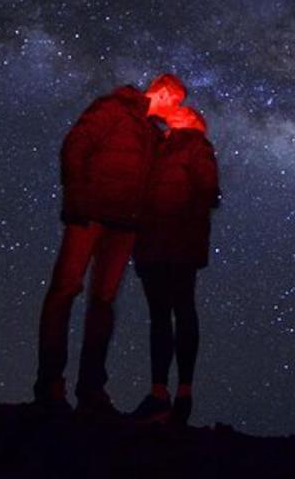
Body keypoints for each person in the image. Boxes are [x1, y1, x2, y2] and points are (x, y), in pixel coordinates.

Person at [33, 73, 187, 414]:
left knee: (102, 303)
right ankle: (50, 387)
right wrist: (75, 197)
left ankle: (91, 392)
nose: (175, 109)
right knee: (64, 291)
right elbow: (77, 143)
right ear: (164, 93)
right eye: (175, 102)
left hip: (124, 226)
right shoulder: (114, 109)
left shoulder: (152, 135)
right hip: (89, 213)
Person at [131, 104, 220, 425]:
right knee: (173, 312)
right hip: (167, 241)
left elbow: (207, 191)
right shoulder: (176, 148)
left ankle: (169, 394)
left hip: (165, 240)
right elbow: (210, 192)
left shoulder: (180, 148)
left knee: (170, 313)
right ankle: (171, 393)